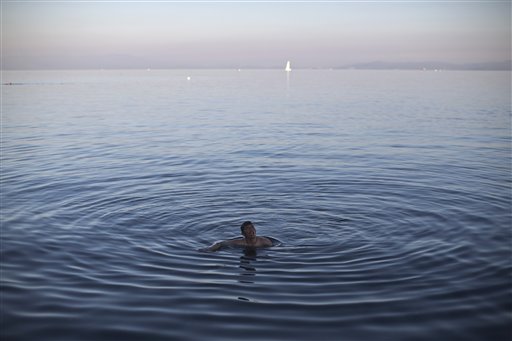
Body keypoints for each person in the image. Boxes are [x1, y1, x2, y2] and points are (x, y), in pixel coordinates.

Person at [200, 221, 273, 252]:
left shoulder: (265, 242)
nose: (251, 231)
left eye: (252, 227)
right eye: (247, 229)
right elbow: (219, 243)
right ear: (243, 234)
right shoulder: (239, 242)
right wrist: (210, 249)